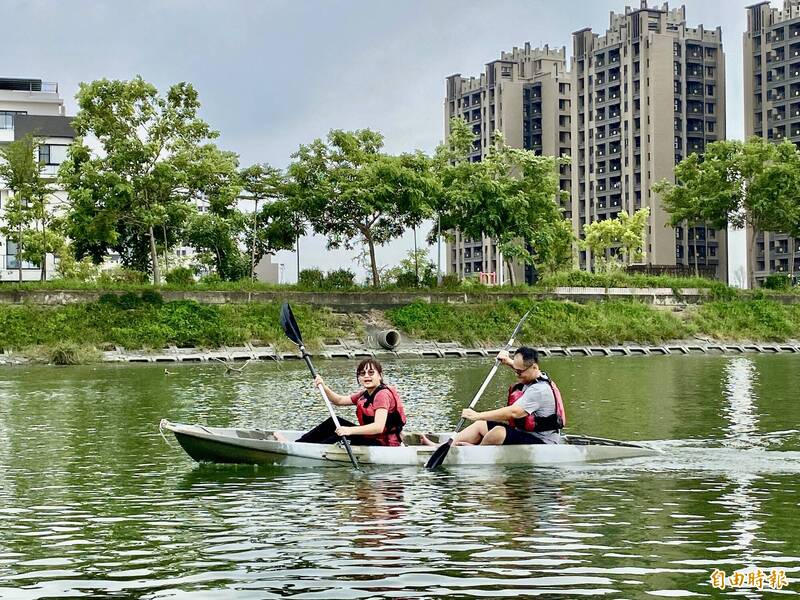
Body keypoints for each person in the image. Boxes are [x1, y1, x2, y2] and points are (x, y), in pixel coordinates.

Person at [424, 346, 566, 446]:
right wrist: (507, 361)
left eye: (519, 372)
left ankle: (476, 452)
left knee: (497, 432)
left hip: (542, 441)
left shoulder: (539, 390)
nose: (517, 375)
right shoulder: (534, 375)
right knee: (480, 426)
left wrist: (477, 415)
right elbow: (521, 368)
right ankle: (443, 447)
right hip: (524, 433)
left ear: (534, 367)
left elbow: (514, 412)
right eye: (515, 370)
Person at [276, 358, 407, 446]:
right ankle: (299, 444)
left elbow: (378, 427)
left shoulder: (382, 395)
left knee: (340, 433)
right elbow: (338, 400)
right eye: (362, 373)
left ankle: (301, 448)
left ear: (380, 375)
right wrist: (323, 386)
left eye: (371, 373)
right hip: (371, 439)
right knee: (334, 422)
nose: (366, 376)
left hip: (384, 445)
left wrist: (349, 431)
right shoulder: (364, 395)